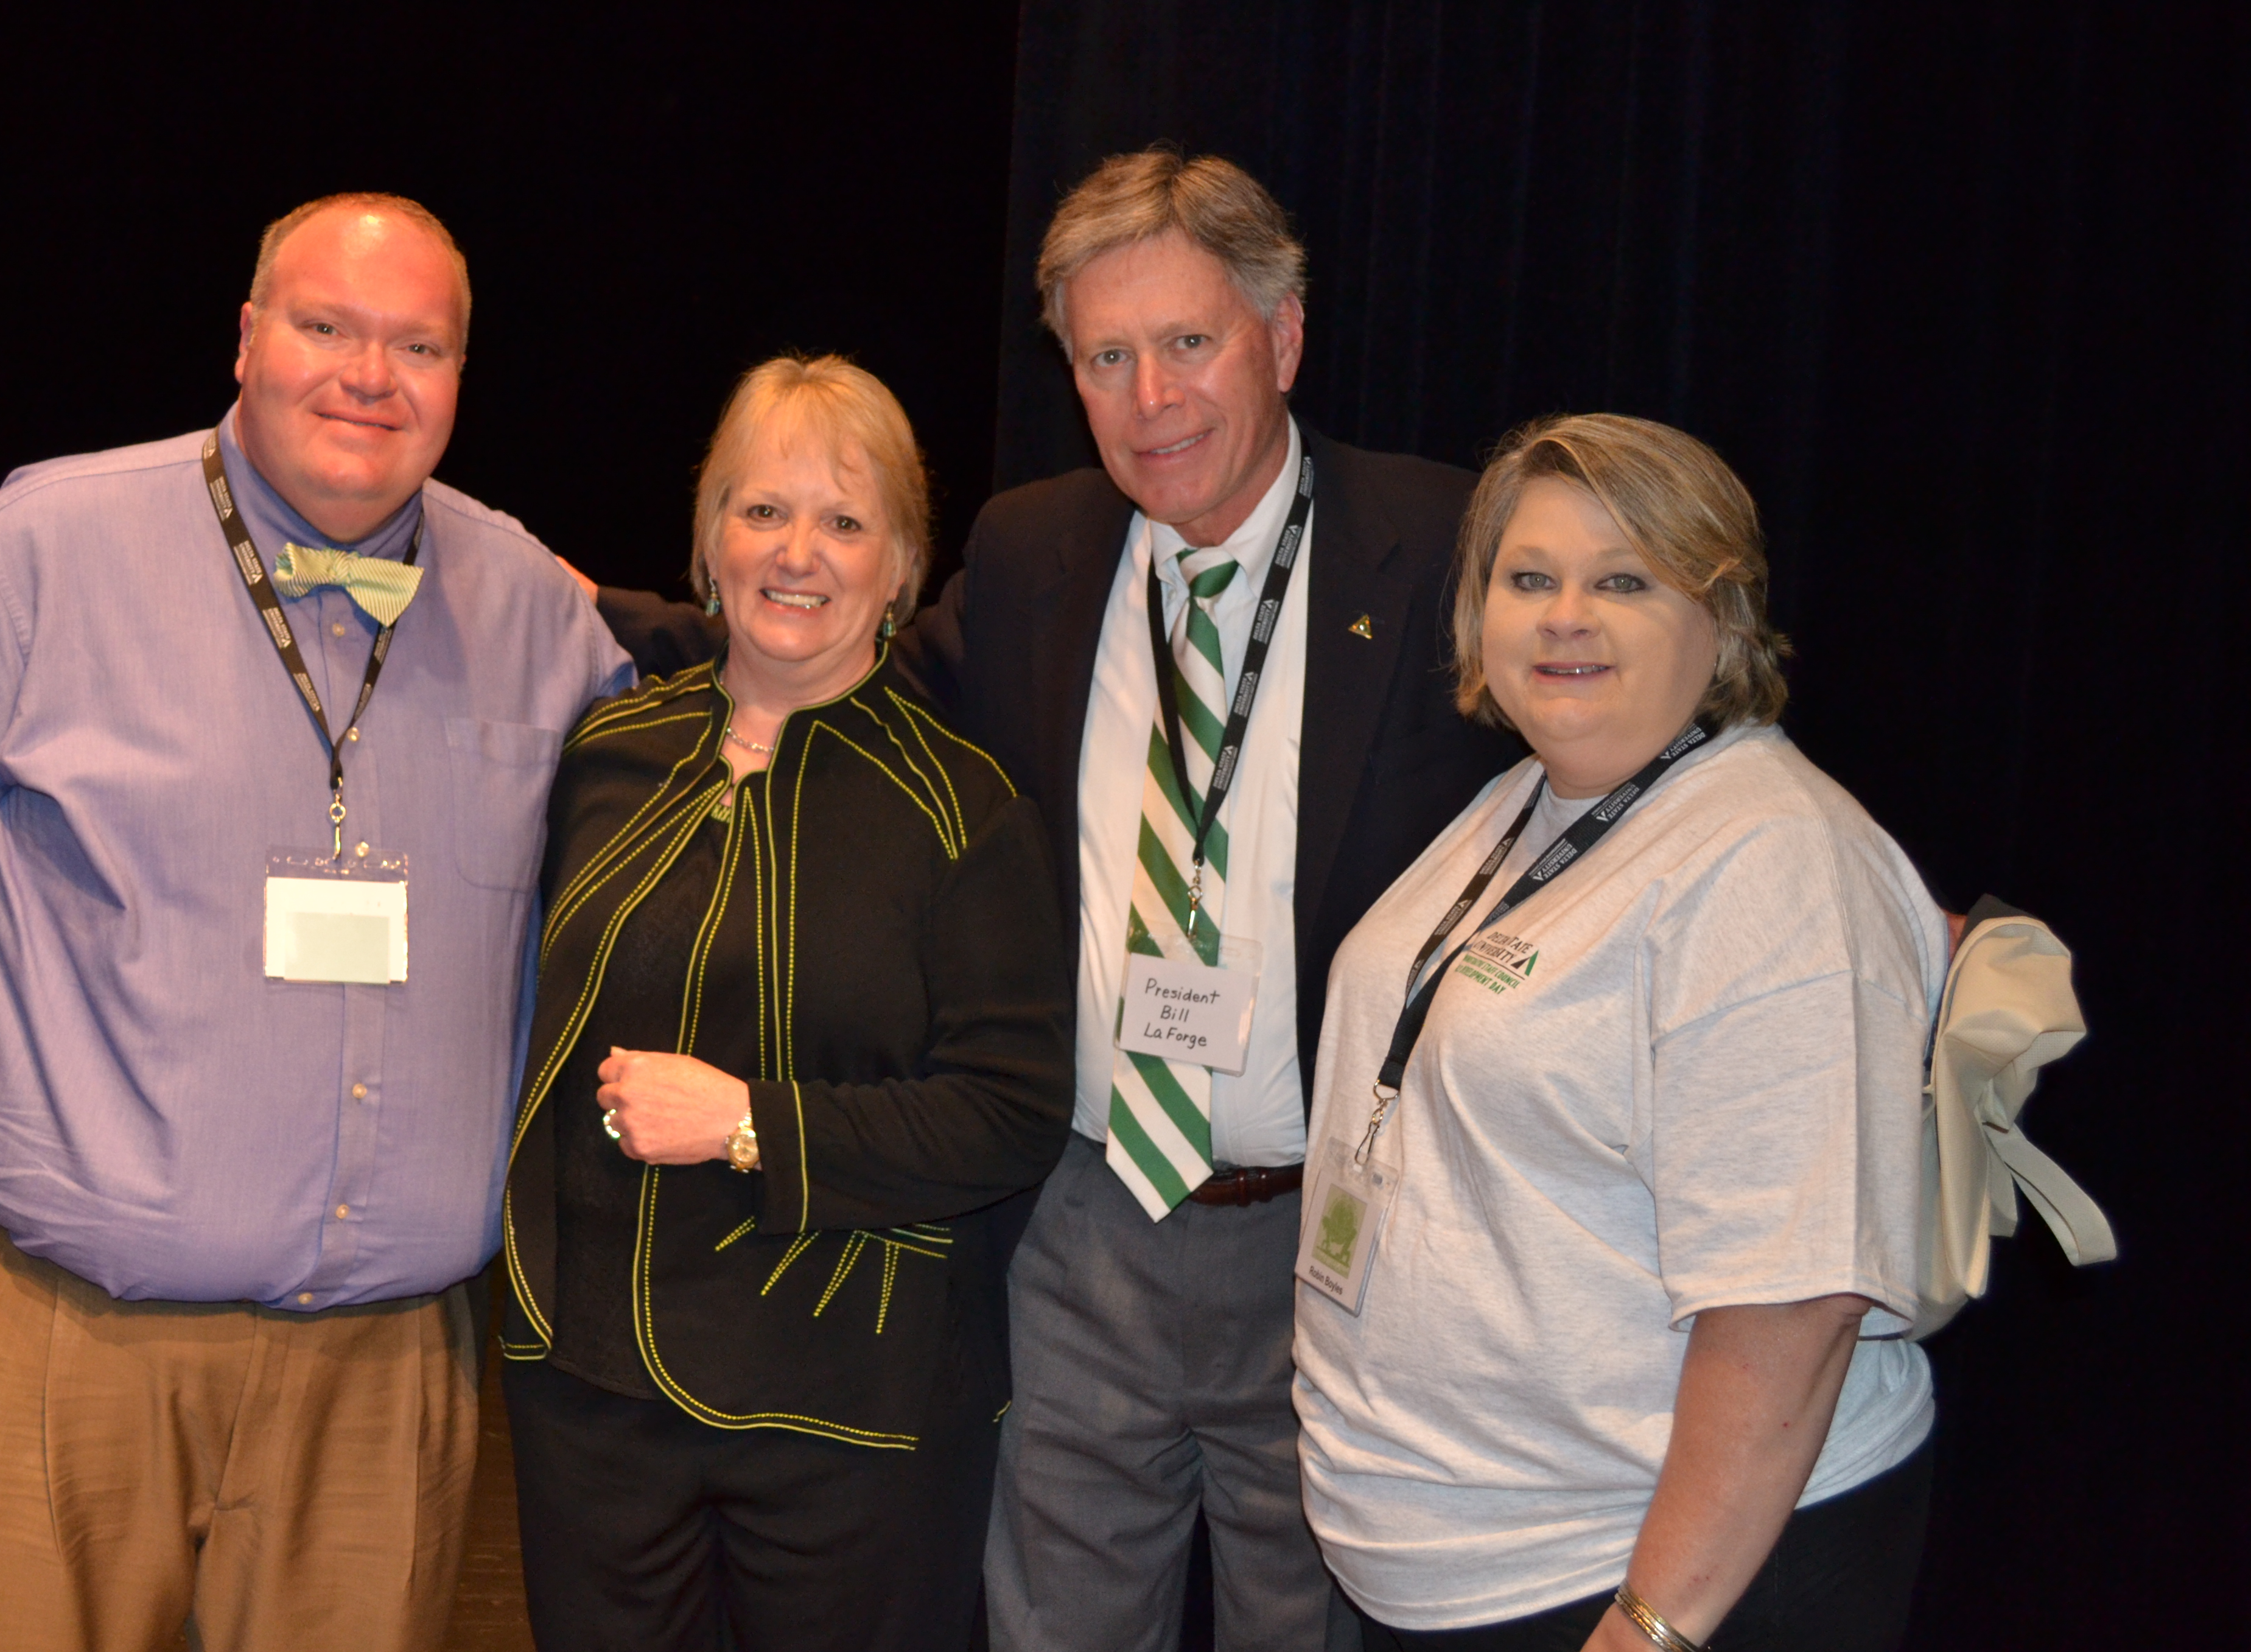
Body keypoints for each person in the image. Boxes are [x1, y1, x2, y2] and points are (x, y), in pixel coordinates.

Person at [592, 151, 1519, 1651]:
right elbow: (842, 666)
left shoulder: (1442, 544)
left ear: (1282, 339)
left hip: (1337, 1240)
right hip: (1083, 1221)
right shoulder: (1039, 551)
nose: (1149, 398)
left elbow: (1607, 738)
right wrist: (554, 611)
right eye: (1106, 357)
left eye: (1189, 343)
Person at [0, 193, 630, 1650]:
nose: (369, 375)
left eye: (420, 344)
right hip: (52, 1339)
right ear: (245, 339)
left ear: (463, 376)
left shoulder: (536, 611)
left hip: (380, 1370)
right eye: (326, 326)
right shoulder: (37, 554)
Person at [1290, 413, 1939, 1652]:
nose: (1565, 614)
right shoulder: (1525, 799)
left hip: (1649, 1582)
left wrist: (1648, 1625)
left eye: (1623, 581)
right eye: (1529, 577)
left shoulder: (1772, 860)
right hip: (1465, 1568)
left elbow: (1792, 1312)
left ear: (1723, 616)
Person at [502, 355, 1074, 1651]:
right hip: (591, 1407)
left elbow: (1011, 1116)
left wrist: (751, 1122)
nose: (796, 553)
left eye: (844, 520)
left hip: (849, 1430)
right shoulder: (609, 755)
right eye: (761, 511)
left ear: (900, 565)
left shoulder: (962, 808)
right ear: (709, 541)